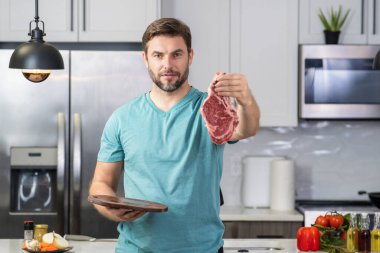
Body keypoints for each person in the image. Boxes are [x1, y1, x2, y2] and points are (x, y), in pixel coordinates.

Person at [89, 18, 260, 253]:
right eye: (158, 55)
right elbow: (101, 184)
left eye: (176, 54)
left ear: (190, 56)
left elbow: (246, 129)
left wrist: (246, 98)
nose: (167, 64)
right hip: (136, 249)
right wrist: (110, 208)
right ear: (145, 59)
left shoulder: (210, 109)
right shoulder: (122, 118)